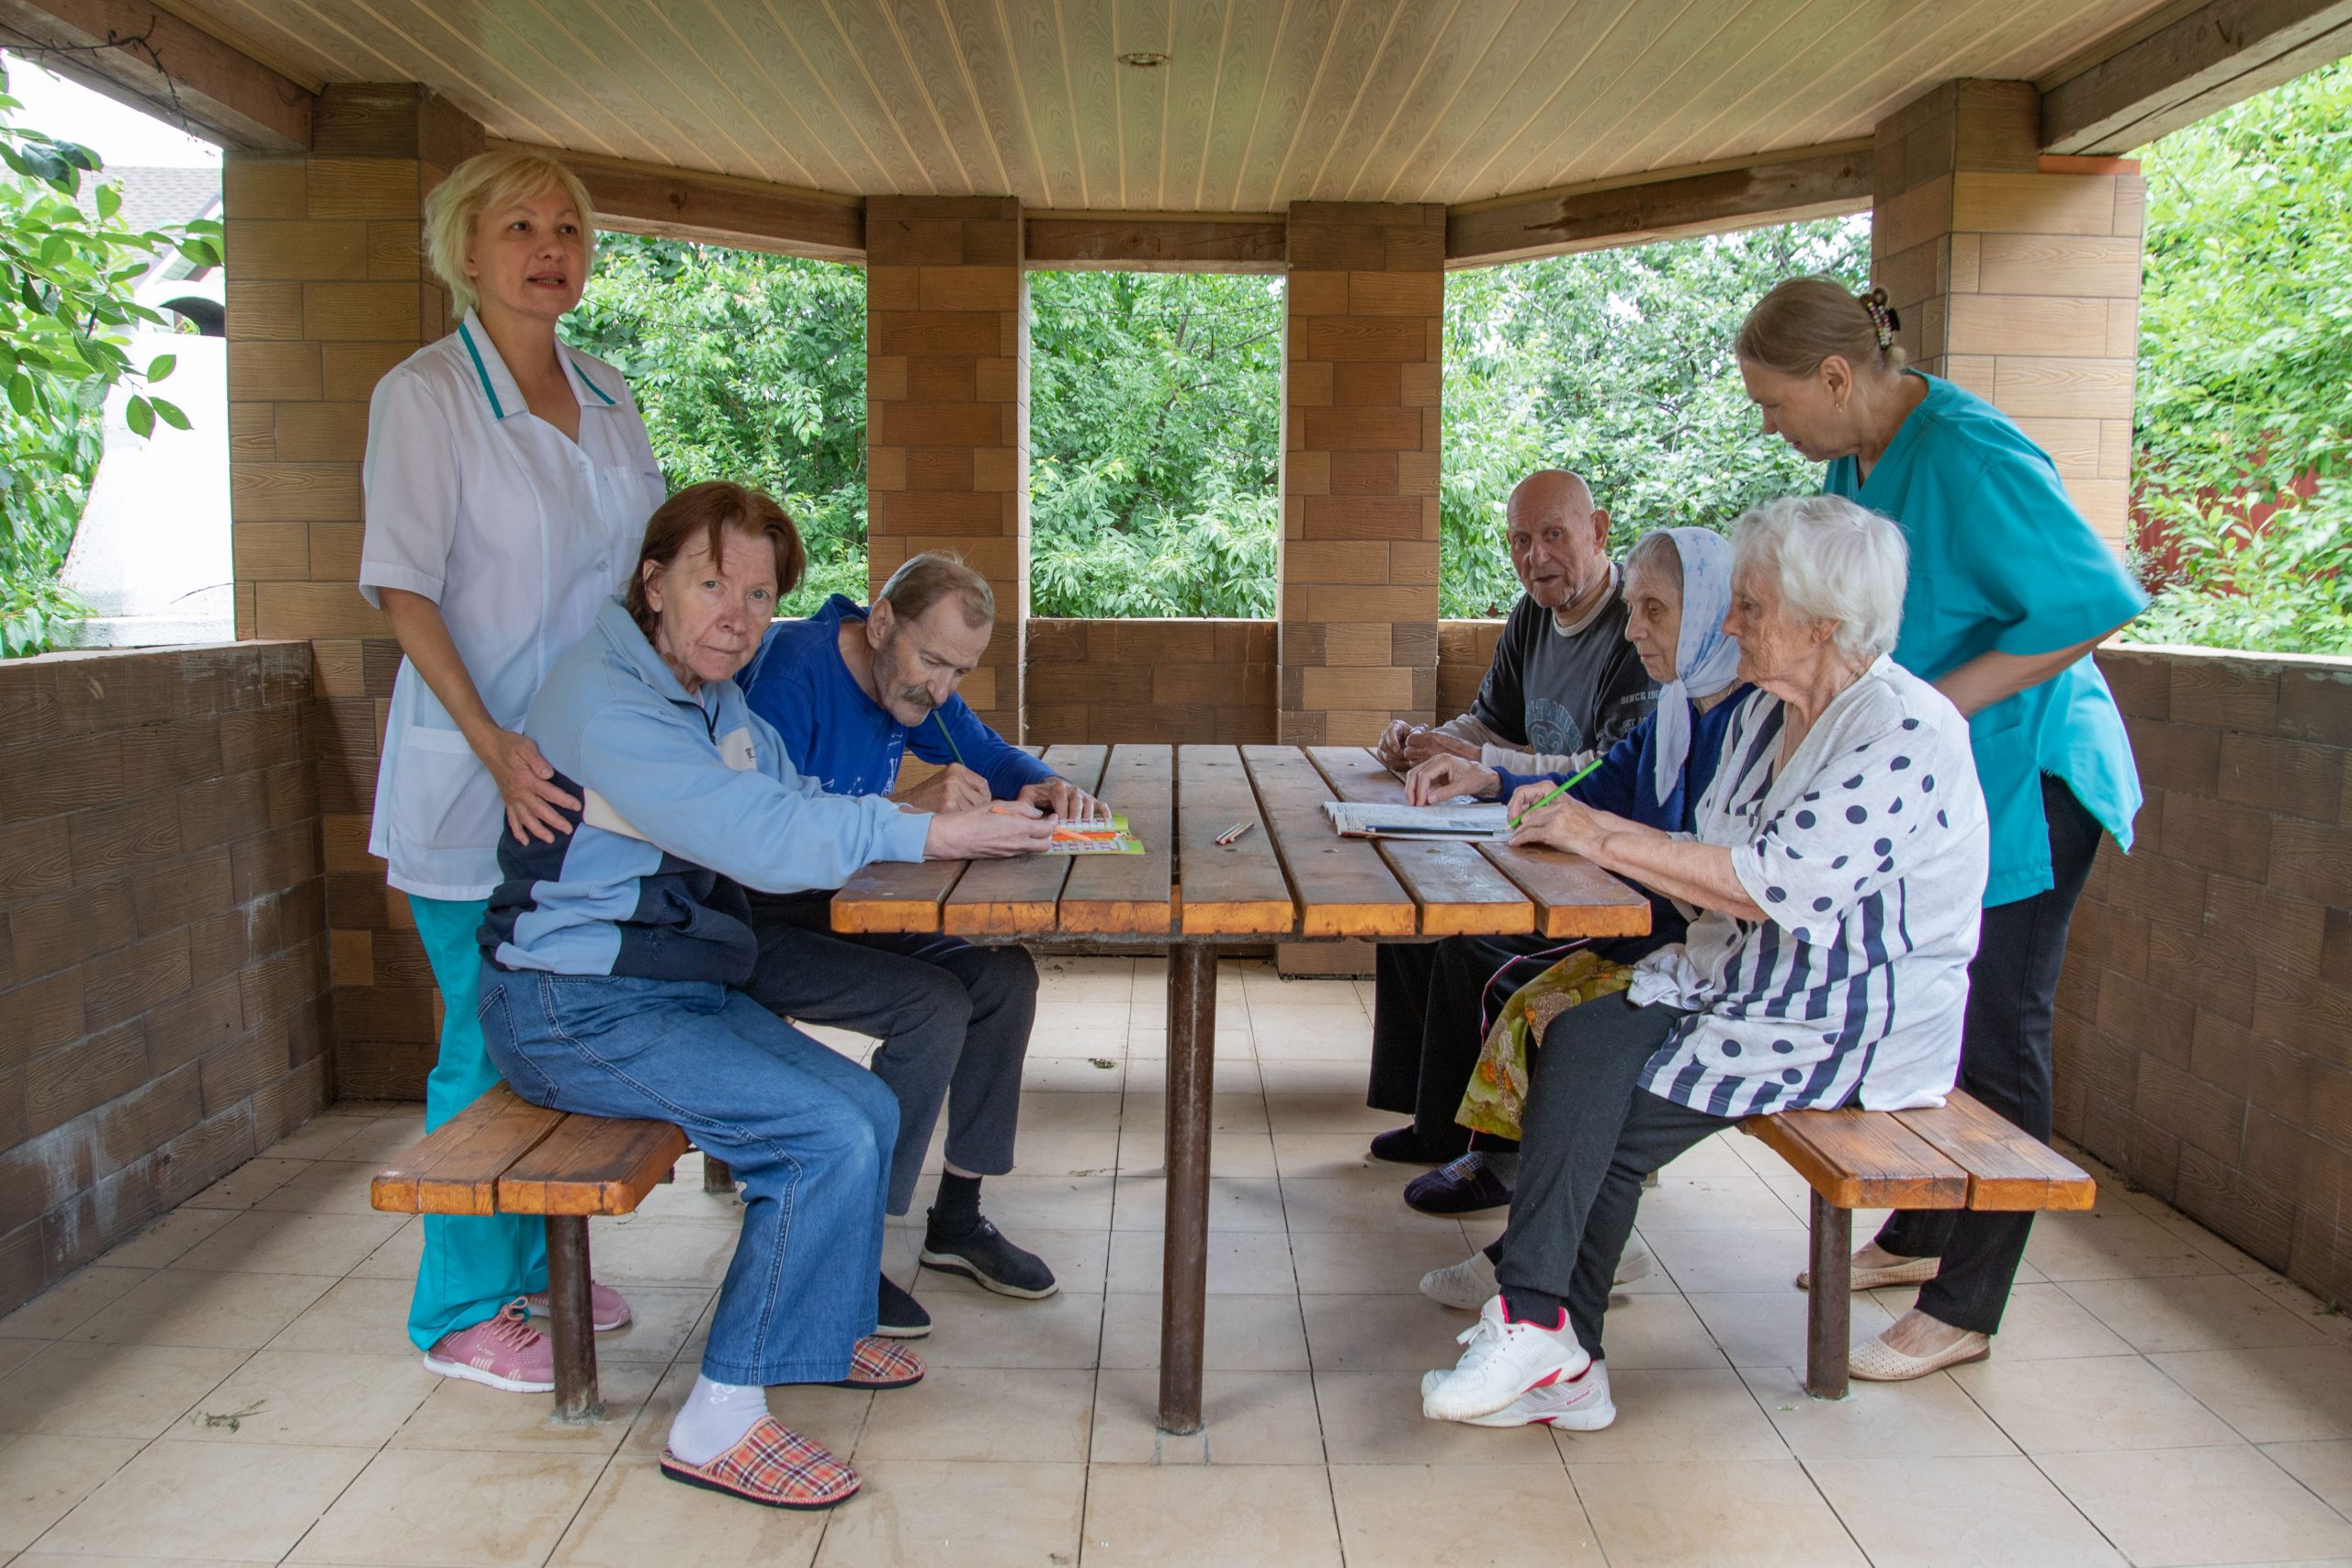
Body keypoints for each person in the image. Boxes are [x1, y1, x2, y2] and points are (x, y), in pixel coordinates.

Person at [478, 481, 1053, 1509]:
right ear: (654, 584)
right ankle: (718, 1420)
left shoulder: (714, 698)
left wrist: (910, 812)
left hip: (671, 987)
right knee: (820, 1136)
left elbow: (792, 794)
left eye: (757, 592)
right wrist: (926, 831)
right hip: (572, 1002)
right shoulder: (609, 702)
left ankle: (822, 1334)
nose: (737, 615)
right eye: (711, 584)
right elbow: (749, 831)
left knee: (867, 1108)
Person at [1418, 495, 1989, 1433]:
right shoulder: (1770, 717)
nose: (1730, 623)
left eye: (1752, 608)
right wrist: (1580, 825)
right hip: (1741, 984)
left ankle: (1543, 1332)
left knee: (1595, 1111)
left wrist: (1600, 831)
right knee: (1582, 1040)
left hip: (1845, 1019)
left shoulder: (1904, 732)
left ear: (1826, 625)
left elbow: (1771, 886)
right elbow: (1701, 874)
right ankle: (1559, 1349)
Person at [1736, 277, 2145, 1379]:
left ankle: (1967, 1306)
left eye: (1775, 403)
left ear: (1834, 375)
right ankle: (1919, 1231)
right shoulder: (1849, 461)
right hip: (1932, 783)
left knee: (2000, 1025)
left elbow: (2098, 596)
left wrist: (1932, 710)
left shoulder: (1971, 450)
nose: (1770, 427)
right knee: (1923, 1000)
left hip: (2030, 778)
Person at [357, 147, 668, 1392]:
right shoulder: (425, 394)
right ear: (467, 253)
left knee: (562, 1029)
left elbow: (634, 583)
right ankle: (459, 1308)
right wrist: (493, 743)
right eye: (520, 226)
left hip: (590, 776)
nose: (550, 247)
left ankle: (543, 1268)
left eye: (569, 228)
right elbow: (402, 585)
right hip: (474, 768)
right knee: (481, 1040)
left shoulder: (607, 390)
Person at [732, 552, 1108, 1337]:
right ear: (879, 623)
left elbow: (990, 752)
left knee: (1004, 978)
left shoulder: (923, 692)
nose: (940, 687)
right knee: (932, 1003)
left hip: (853, 910)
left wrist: (1046, 784)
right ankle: (843, 1251)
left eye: (959, 671)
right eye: (932, 660)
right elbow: (760, 829)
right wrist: (906, 803)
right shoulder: (790, 672)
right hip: (759, 922)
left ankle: (957, 1220)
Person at [1394, 525, 1750, 1242]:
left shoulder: (1747, 716)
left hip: (1701, 942)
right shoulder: (1683, 706)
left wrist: (1594, 831)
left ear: (1716, 610)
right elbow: (1603, 777)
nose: (1636, 628)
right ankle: (1477, 1158)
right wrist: (1496, 777)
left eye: (1657, 611)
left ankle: (1513, 1183)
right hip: (1647, 912)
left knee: (1522, 990)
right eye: (1635, 610)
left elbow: (1733, 866)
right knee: (1468, 950)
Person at [1363, 469, 1658, 1214]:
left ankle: (1490, 1154)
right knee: (1409, 903)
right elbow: (1488, 723)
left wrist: (1485, 767)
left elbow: (1606, 770)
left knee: (1475, 945)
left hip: (1595, 854)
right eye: (1521, 541)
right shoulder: (1532, 616)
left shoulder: (1636, 631)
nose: (1536, 557)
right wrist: (1426, 739)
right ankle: (1434, 1120)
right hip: (1527, 830)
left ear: (1600, 531)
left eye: (1554, 535)